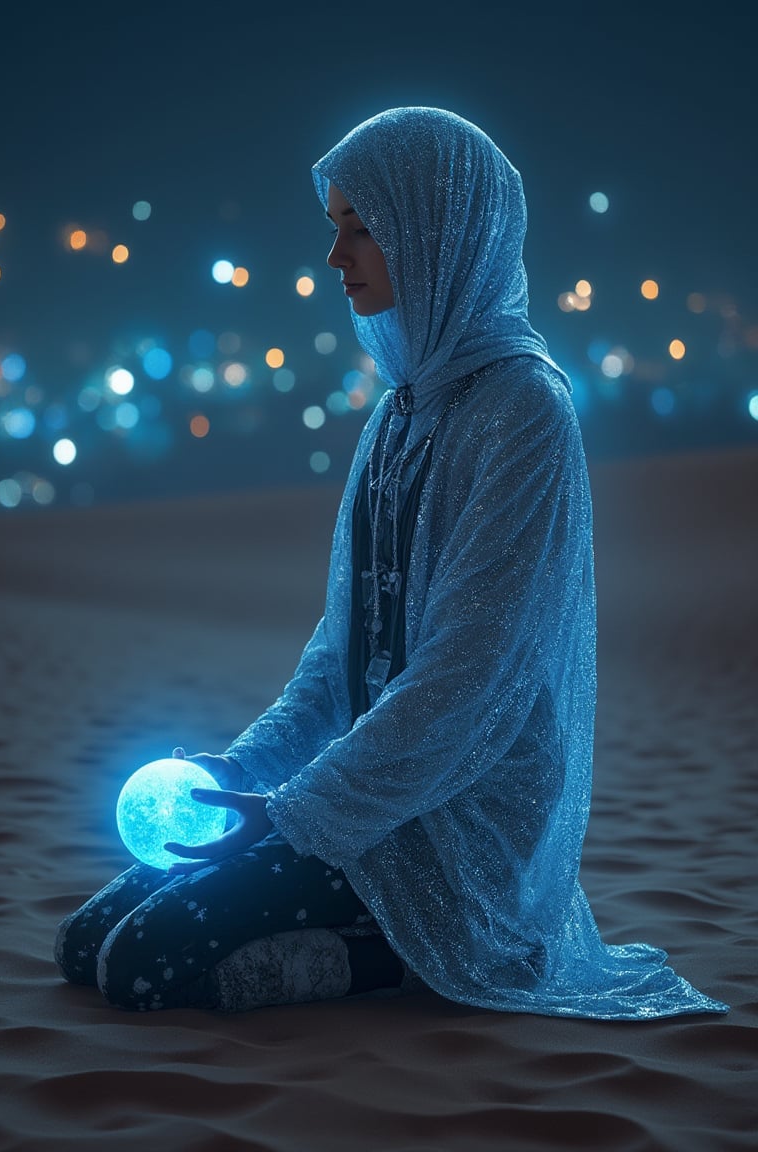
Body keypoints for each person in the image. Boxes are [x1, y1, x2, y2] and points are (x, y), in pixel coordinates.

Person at [55, 107, 728, 1018]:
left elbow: (468, 676)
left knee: (145, 968)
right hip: (354, 801)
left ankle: (410, 960)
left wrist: (297, 817)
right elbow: (339, 660)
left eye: (361, 229)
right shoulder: (401, 412)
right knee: (83, 944)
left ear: (435, 231)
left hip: (453, 834)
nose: (337, 259)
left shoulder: (524, 409)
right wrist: (243, 777)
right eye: (334, 229)